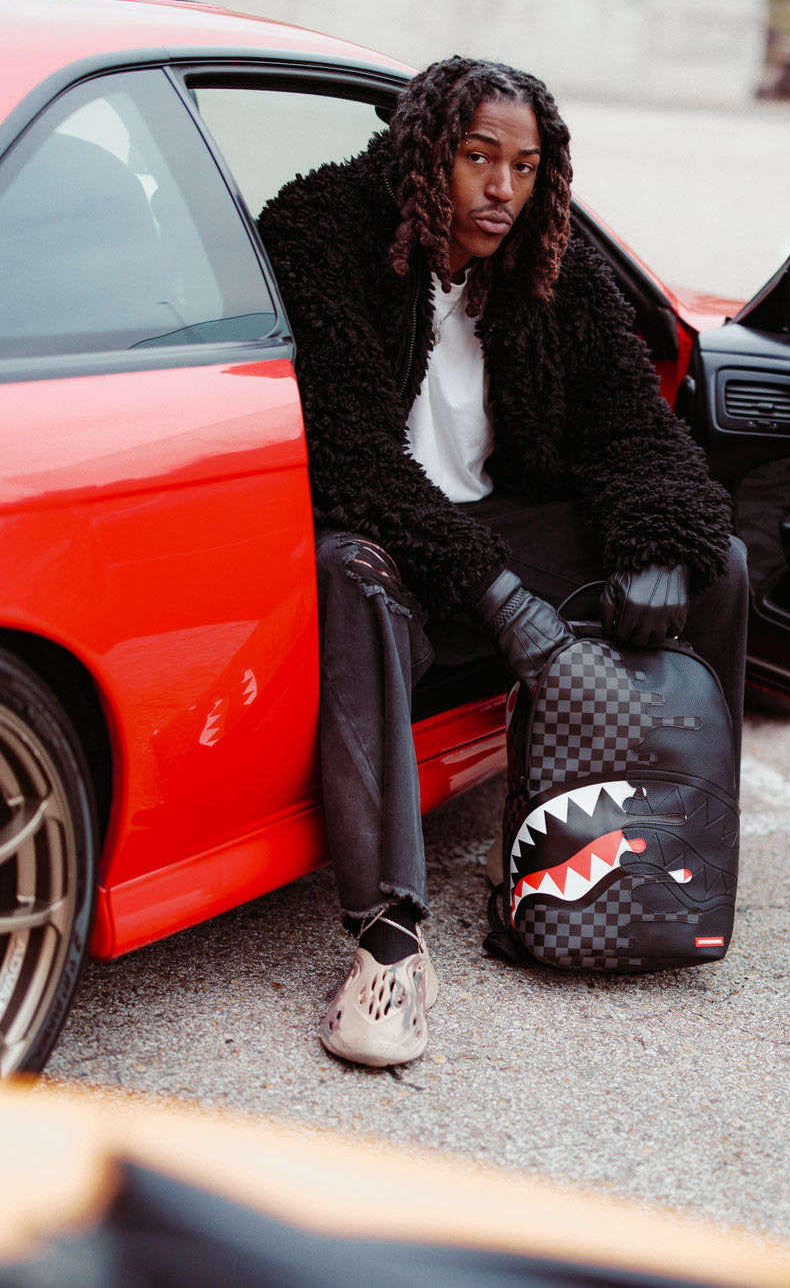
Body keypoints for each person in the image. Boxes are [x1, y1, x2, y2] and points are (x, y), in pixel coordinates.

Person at [258, 56, 747, 1070]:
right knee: (347, 574)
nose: (501, 190)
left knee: (721, 563)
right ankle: (389, 942)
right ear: (425, 151)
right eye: (478, 158)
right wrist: (496, 594)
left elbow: (632, 423)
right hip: (386, 528)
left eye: (524, 168)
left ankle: (659, 843)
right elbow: (346, 457)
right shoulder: (323, 230)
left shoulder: (547, 260)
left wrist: (658, 541)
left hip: (498, 521)